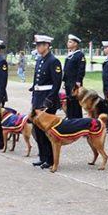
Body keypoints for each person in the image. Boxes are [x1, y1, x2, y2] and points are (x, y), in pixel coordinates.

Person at [29, 35, 63, 169]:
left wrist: (50, 99)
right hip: (38, 98)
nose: (37, 47)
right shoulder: (40, 60)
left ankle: (49, 159)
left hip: (47, 100)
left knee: (47, 131)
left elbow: (56, 83)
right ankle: (42, 157)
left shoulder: (53, 61)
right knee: (37, 130)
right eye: (37, 45)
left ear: (47, 45)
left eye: (40, 45)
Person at [63, 34, 86, 118]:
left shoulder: (79, 55)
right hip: (68, 82)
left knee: (75, 102)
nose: (68, 43)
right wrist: (64, 81)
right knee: (69, 100)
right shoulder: (69, 55)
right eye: (68, 42)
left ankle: (77, 119)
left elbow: (81, 69)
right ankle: (70, 118)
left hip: (75, 82)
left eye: (70, 42)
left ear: (75, 44)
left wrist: (78, 81)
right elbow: (66, 69)